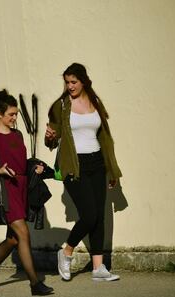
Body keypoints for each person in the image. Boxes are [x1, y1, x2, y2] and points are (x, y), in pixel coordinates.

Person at [45, 63, 122, 282]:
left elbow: (105, 138)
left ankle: (98, 268)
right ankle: (67, 251)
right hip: (73, 165)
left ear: (83, 81)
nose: (70, 86)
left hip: (97, 162)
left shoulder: (95, 102)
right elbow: (52, 138)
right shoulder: (60, 106)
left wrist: (111, 169)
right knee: (89, 215)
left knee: (99, 215)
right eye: (67, 82)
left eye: (74, 82)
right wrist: (50, 137)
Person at [0, 89, 54, 296]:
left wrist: (33, 167)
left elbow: (20, 162)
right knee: (24, 234)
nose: (15, 118)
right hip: (6, 191)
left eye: (16, 114)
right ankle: (35, 283)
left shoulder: (18, 134)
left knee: (13, 239)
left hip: (22, 189)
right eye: (11, 114)